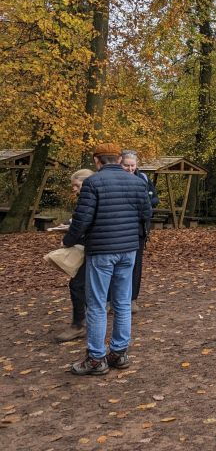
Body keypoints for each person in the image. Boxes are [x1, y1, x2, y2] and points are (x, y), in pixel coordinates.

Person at [63, 143, 152, 375]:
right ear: (119, 159)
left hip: (101, 250)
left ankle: (96, 358)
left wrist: (68, 241)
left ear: (97, 160)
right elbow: (146, 214)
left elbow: (82, 219)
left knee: (97, 304)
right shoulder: (136, 182)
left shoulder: (93, 183)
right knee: (122, 302)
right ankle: (119, 352)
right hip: (129, 249)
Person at [54, 169, 94, 343]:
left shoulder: (89, 197)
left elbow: (83, 222)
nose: (74, 189)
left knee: (78, 285)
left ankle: (79, 325)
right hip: (98, 246)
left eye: (76, 185)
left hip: (94, 247)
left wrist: (67, 240)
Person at [119, 150, 158, 313]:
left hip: (138, 229)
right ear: (120, 164)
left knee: (135, 264)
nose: (130, 169)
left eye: (132, 165)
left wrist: (147, 202)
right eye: (126, 165)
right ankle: (112, 299)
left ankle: (132, 299)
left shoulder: (143, 178)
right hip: (118, 229)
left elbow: (154, 199)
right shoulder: (115, 180)